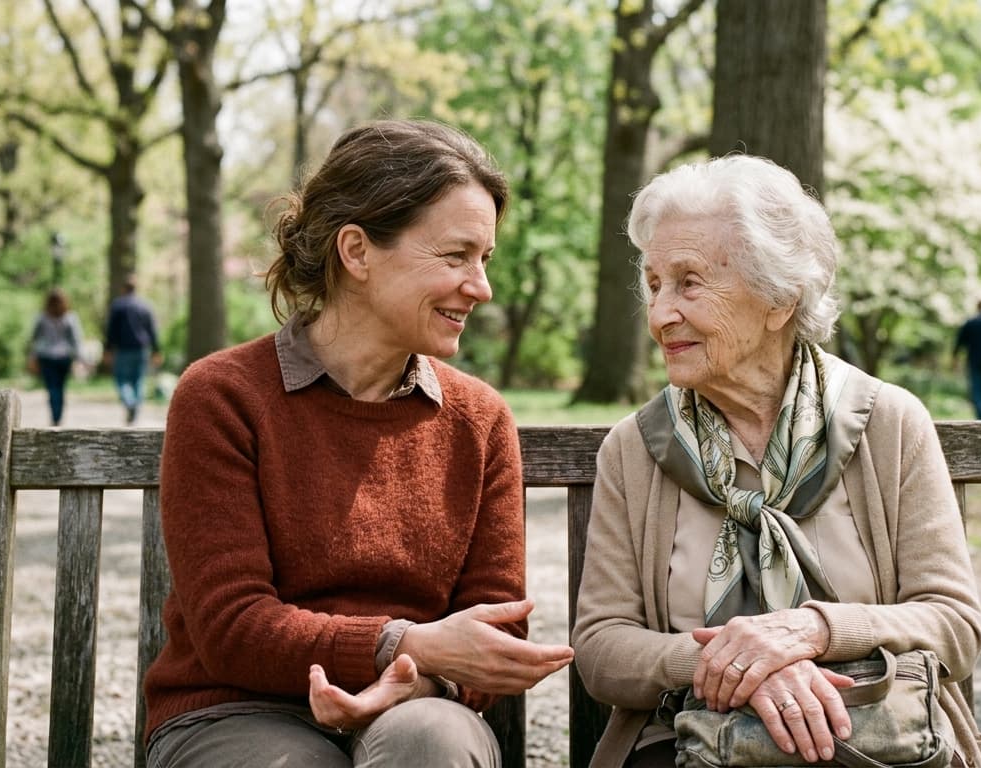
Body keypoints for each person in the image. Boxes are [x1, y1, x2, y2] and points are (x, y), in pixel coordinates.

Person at [142, 119, 575, 768]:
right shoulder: (223, 398)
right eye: (456, 256)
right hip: (235, 710)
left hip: (419, 708)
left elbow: (497, 630)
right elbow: (232, 627)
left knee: (430, 748)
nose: (481, 287)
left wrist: (405, 680)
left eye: (484, 260)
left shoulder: (479, 419)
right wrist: (406, 645)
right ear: (357, 251)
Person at [571, 156, 981, 768]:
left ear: (780, 299)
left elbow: (953, 624)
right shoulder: (636, 448)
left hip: (871, 737)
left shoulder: (888, 423)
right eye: (654, 283)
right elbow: (603, 649)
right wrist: (736, 667)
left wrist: (810, 633)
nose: (661, 315)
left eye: (689, 283)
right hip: (692, 744)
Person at [103, 277, 161, 424]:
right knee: (138, 379)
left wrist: (108, 349)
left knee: (121, 379)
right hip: (142, 348)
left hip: (123, 348)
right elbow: (152, 329)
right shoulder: (145, 306)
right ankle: (135, 405)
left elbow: (111, 330)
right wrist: (156, 349)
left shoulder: (118, 305)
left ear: (124, 288)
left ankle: (129, 403)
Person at [28, 289, 84, 426]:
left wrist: (32, 356)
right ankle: (58, 415)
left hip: (47, 356)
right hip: (64, 356)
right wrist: (79, 358)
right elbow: (76, 340)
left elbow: (34, 339)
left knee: (52, 388)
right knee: (60, 387)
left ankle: (55, 415)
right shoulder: (70, 317)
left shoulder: (41, 317)